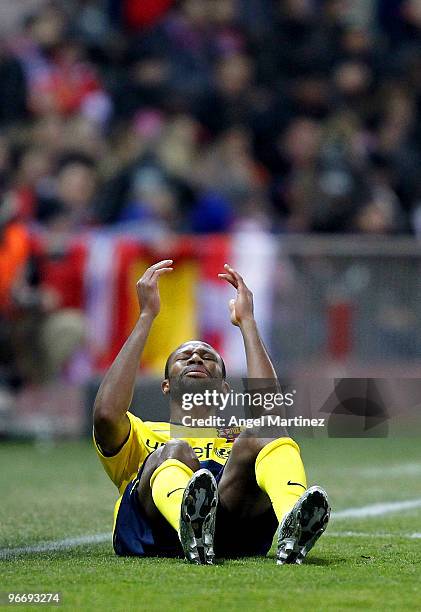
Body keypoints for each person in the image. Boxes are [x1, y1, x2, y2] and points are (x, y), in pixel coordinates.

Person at [93, 259, 330, 564]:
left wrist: (247, 322)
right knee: (175, 451)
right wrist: (146, 316)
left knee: (265, 430)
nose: (195, 357)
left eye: (207, 357)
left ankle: (293, 523)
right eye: (184, 356)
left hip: (230, 526)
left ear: (223, 389)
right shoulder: (142, 433)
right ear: (166, 386)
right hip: (156, 532)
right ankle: (189, 524)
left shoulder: (234, 439)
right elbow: (105, 415)